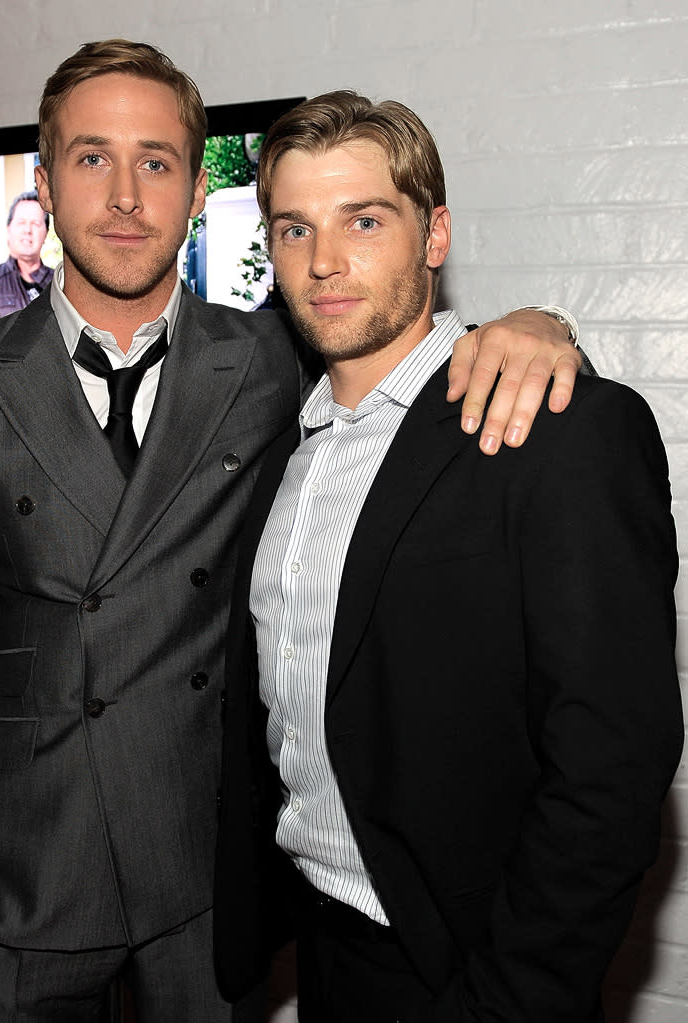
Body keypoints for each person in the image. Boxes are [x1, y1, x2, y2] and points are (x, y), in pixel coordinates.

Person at [0, 40, 581, 1023]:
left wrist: (537, 321)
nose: (125, 197)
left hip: (203, 868)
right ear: (44, 181)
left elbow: (397, 338)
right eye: (91, 158)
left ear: (198, 196)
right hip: (13, 867)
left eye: (156, 162)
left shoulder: (268, 355)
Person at [213, 91, 683, 1022]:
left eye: (364, 220)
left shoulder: (557, 429)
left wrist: (515, 996)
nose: (326, 262)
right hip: (319, 947)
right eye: (295, 229)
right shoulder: (286, 448)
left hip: (465, 970)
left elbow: (610, 767)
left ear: (435, 236)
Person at [0, 190, 53, 334]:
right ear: (8, 230)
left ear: (46, 233)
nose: (27, 230)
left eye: (36, 223)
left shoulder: (61, 284)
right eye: (21, 222)